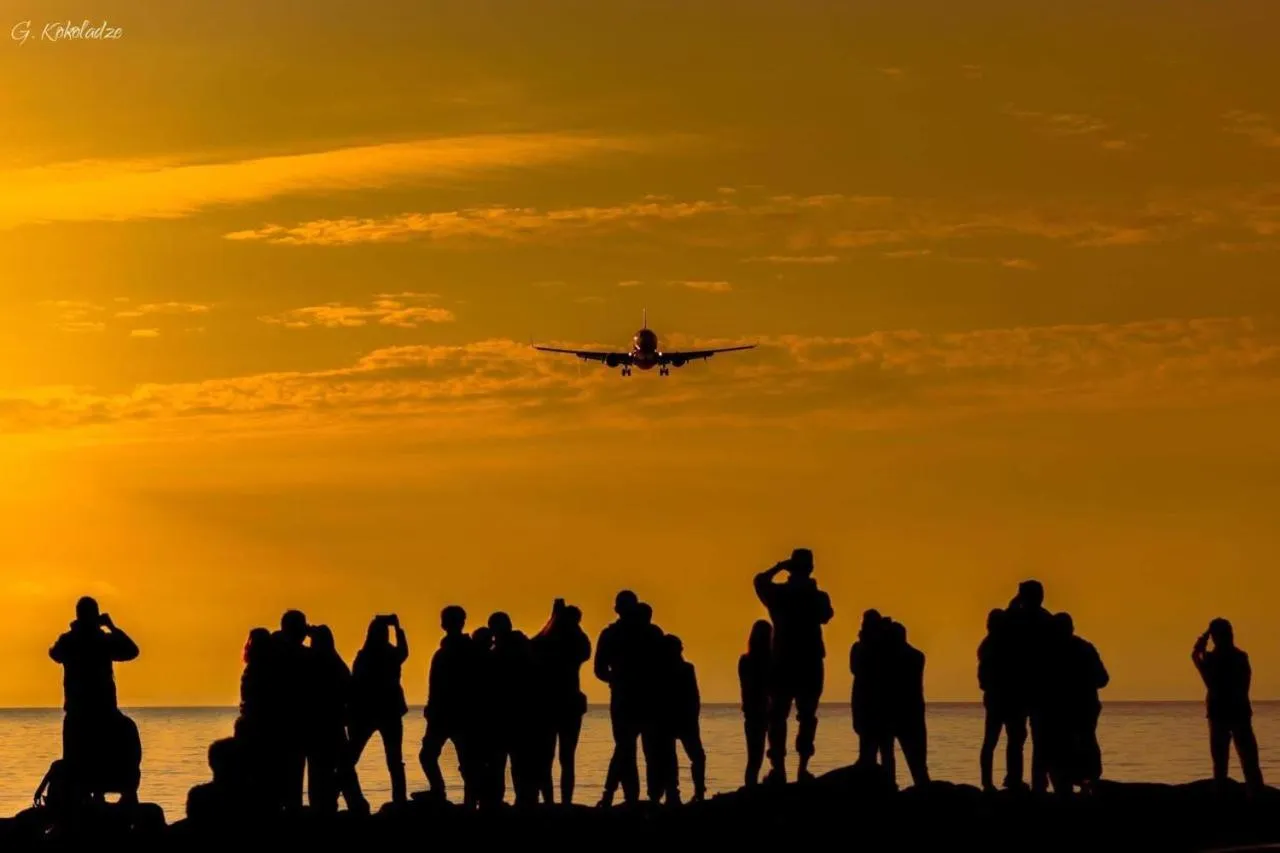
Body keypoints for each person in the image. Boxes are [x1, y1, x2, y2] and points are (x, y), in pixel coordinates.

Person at [48, 597, 142, 805]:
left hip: (89, 712)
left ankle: (107, 794)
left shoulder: (75, 640)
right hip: (92, 711)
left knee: (87, 756)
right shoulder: (100, 641)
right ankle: (112, 794)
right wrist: (111, 627)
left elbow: (54, 653)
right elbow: (131, 650)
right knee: (87, 756)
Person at [754, 549, 834, 783]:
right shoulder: (817, 597)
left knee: (778, 716)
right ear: (810, 568)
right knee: (805, 716)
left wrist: (779, 566)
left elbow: (759, 580)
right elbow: (826, 615)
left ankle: (779, 769)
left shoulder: (779, 594)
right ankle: (801, 768)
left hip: (784, 661)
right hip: (808, 662)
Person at [532, 600, 592, 804]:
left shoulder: (546, 642)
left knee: (547, 757)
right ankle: (564, 801)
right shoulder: (576, 643)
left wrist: (553, 619)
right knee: (566, 758)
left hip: (549, 705)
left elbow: (533, 643)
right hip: (567, 704)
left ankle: (550, 801)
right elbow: (585, 650)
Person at [1192, 618, 1263, 790]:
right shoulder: (1240, 657)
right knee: (1249, 762)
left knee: (1221, 764)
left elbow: (1197, 659)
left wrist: (1200, 646)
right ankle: (1255, 795)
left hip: (1220, 714)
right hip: (1239, 713)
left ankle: (1223, 796)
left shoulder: (1212, 659)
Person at [350, 614, 410, 806]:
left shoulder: (364, 656)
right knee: (394, 760)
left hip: (366, 713)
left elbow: (355, 684)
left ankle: (334, 795)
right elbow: (404, 651)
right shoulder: (390, 654)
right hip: (388, 712)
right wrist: (397, 628)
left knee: (351, 756)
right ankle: (399, 801)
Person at [305, 625, 366, 814]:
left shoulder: (310, 662)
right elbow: (351, 692)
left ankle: (322, 806)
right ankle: (356, 805)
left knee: (318, 770)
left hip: (317, 725)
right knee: (344, 768)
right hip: (336, 724)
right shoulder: (337, 663)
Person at [421, 606, 476, 803]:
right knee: (430, 755)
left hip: (452, 714)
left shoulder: (458, 652)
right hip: (447, 714)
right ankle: (443, 792)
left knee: (463, 759)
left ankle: (453, 794)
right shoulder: (460, 651)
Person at [595, 591, 644, 806]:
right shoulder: (614, 634)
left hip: (637, 696)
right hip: (627, 695)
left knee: (626, 747)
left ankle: (616, 794)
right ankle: (624, 795)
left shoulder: (644, 633)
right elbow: (600, 669)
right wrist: (616, 678)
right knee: (626, 747)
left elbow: (600, 669)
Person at [1004, 580, 1052, 792]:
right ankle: (1038, 781)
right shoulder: (1045, 619)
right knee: (1038, 738)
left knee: (1017, 738)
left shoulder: (1014, 619)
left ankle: (1015, 779)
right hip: (1038, 688)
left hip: (1018, 688)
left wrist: (1014, 603)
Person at [269, 610, 313, 810]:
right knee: (294, 778)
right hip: (295, 726)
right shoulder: (303, 656)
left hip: (277, 726)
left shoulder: (271, 652)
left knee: (280, 779)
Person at [661, 634, 706, 803]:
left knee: (676, 757)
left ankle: (684, 792)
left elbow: (694, 696)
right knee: (686, 757)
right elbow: (694, 696)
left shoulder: (684, 669)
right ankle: (678, 793)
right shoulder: (684, 669)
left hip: (679, 719)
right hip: (679, 719)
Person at [851, 610, 893, 777]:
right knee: (884, 750)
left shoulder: (860, 647)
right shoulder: (880, 647)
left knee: (871, 747)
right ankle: (885, 782)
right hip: (875, 701)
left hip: (868, 700)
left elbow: (854, 669)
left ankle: (872, 782)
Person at [888, 621, 929, 788]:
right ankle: (923, 786)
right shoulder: (917, 656)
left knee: (888, 754)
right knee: (917, 757)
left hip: (896, 711)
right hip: (914, 710)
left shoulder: (887, 659)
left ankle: (890, 785)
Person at [739, 620, 772, 787]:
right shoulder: (770, 661)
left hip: (753, 712)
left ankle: (751, 786)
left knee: (754, 756)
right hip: (765, 711)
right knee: (764, 754)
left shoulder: (745, 661)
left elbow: (746, 689)